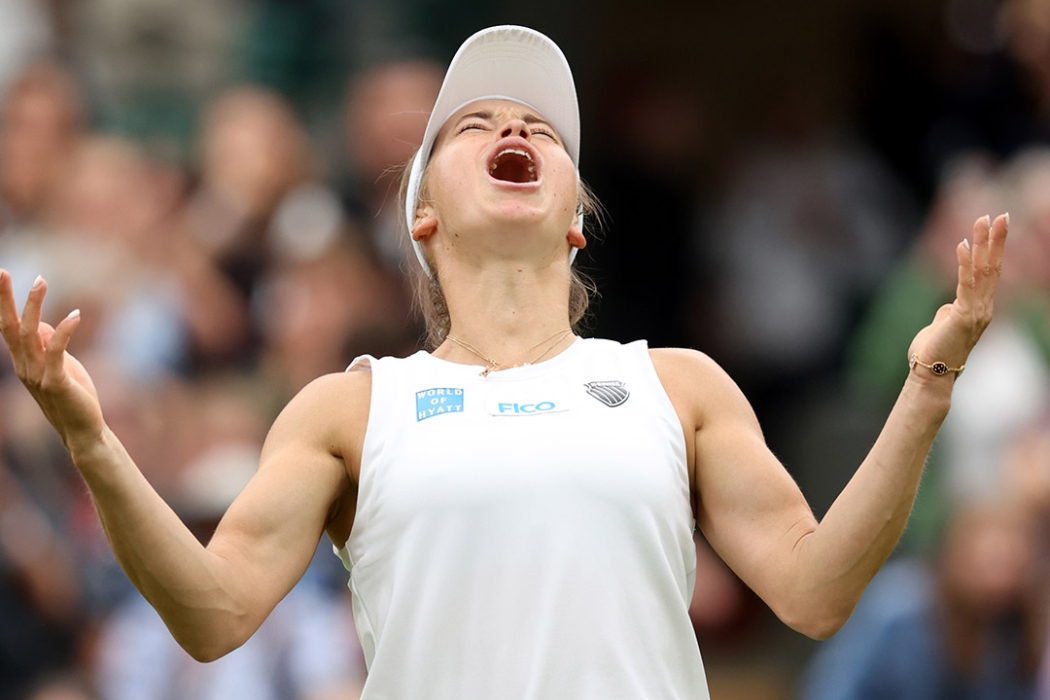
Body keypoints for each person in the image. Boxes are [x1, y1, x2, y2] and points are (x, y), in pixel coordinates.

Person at [0, 25, 1009, 700]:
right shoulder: (349, 409)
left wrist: (928, 386)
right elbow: (214, 613)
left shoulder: (681, 385)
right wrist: (90, 439)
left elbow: (817, 590)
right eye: (474, 126)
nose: (515, 126)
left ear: (573, 220)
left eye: (539, 129)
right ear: (424, 216)